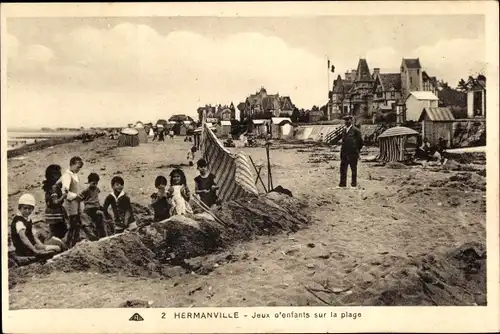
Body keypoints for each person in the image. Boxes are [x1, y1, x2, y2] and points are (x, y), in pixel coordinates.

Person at [10, 194, 64, 261]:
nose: (27, 211)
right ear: (20, 207)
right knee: (53, 251)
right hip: (24, 250)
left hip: (31, 247)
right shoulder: (19, 221)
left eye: (29, 209)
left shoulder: (27, 219)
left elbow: (32, 235)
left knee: (57, 248)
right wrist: (35, 250)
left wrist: (42, 246)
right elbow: (23, 238)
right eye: (25, 208)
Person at [61, 156, 84, 248]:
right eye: (78, 167)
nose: (79, 169)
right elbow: (65, 192)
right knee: (72, 225)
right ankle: (69, 245)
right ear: (72, 164)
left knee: (78, 223)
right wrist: (75, 196)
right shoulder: (67, 176)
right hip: (70, 204)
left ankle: (75, 242)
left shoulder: (75, 175)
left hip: (76, 203)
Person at [42, 164, 68, 242]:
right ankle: (46, 244)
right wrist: (63, 196)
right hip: (55, 213)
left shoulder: (49, 187)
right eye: (59, 174)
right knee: (56, 231)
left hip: (52, 212)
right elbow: (55, 202)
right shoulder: (54, 188)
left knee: (56, 230)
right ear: (54, 176)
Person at [79, 173, 107, 239]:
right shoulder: (86, 191)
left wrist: (99, 205)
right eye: (93, 183)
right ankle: (91, 234)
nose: (95, 185)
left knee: (101, 218)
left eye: (96, 183)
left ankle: (103, 234)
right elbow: (80, 199)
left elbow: (97, 197)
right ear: (89, 182)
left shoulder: (97, 189)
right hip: (89, 208)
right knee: (87, 221)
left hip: (96, 207)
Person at [338, 116, 363, 188]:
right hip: (344, 154)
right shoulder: (344, 131)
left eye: (348, 120)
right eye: (345, 120)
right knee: (343, 169)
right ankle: (342, 184)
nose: (346, 122)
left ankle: (353, 184)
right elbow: (343, 142)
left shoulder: (356, 131)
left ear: (351, 120)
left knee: (353, 169)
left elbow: (360, 143)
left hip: (353, 154)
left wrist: (355, 150)